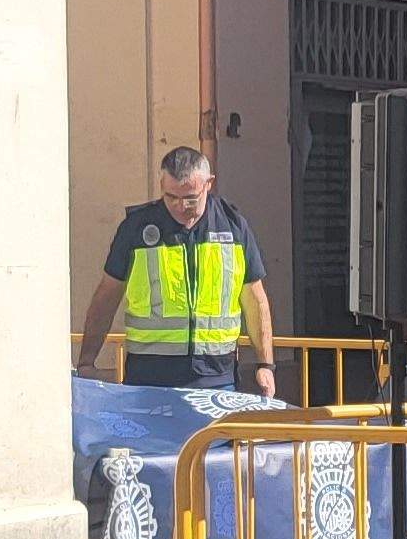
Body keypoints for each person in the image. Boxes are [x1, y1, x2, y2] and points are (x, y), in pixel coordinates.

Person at [76, 146, 277, 395]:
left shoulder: (233, 227)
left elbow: (255, 300)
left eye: (190, 198)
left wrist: (265, 364)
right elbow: (106, 297)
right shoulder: (136, 228)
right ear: (162, 184)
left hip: (216, 377)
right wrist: (86, 361)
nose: (181, 207)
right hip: (149, 378)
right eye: (171, 197)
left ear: (209, 184)